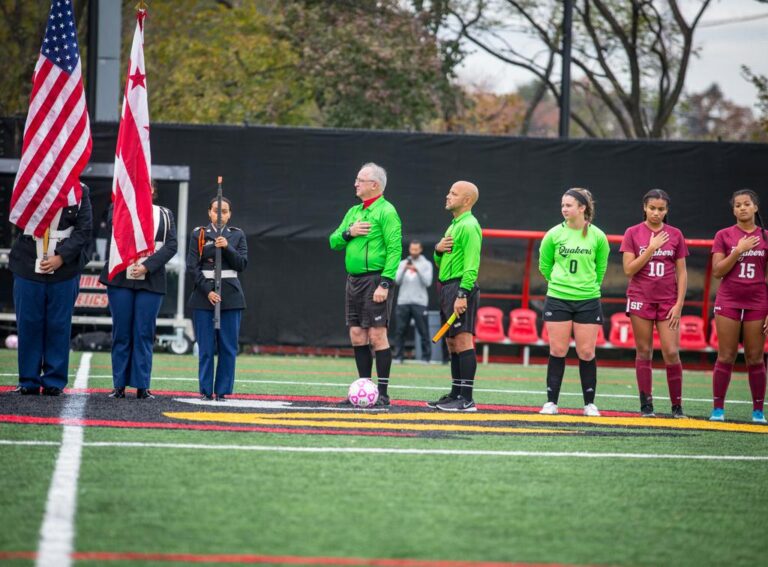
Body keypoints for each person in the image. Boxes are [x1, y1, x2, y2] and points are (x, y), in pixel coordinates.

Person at [329, 162, 402, 407]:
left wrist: (385, 283)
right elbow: (333, 242)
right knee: (357, 334)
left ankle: (382, 394)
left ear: (375, 185)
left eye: (360, 180)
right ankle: (363, 389)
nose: (355, 183)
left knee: (377, 335)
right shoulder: (353, 212)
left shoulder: (387, 211)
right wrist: (349, 232)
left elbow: (394, 250)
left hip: (375, 280)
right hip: (354, 280)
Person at [10, 183, 93, 396]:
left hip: (64, 268)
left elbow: (84, 230)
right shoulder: (30, 180)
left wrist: (62, 257)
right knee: (28, 323)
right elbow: (16, 218)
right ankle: (28, 380)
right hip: (28, 262)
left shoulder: (80, 190)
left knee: (58, 324)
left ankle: (54, 381)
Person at [100, 182, 177, 399]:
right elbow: (114, 226)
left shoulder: (165, 214)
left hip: (150, 280)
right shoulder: (118, 208)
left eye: (147, 185)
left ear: (153, 190)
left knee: (144, 332)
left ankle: (142, 386)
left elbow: (171, 246)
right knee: (121, 332)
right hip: (121, 277)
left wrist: (147, 265)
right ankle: (119, 385)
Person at [538, 188, 609, 417]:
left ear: (582, 208)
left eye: (569, 205)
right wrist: (560, 284)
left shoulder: (598, 236)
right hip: (558, 298)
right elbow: (544, 265)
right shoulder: (553, 234)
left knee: (586, 352)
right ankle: (551, 402)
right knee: (558, 349)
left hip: (588, 299)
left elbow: (601, 268)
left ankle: (589, 404)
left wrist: (587, 286)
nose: (564, 209)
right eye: (562, 205)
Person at [620, 189, 689, 418]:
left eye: (661, 209)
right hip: (641, 299)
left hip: (668, 302)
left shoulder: (676, 234)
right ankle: (646, 406)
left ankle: (677, 407)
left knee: (671, 352)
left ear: (667, 210)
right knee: (644, 351)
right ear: (644, 208)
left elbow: (682, 272)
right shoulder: (633, 233)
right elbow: (629, 269)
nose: (656, 213)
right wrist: (651, 248)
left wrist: (679, 304)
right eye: (652, 208)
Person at [709, 189, 768, 424]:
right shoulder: (724, 235)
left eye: (747, 204)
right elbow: (717, 271)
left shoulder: (765, 236)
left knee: (755, 357)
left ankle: (757, 412)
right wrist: (738, 251)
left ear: (755, 207)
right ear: (733, 210)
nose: (742, 208)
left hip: (757, 302)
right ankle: (718, 409)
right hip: (729, 300)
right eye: (738, 205)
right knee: (726, 356)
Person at [427, 181, 482, 412]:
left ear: (467, 200)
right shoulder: (453, 226)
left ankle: (467, 399)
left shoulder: (469, 225)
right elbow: (440, 263)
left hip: (460, 287)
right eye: (449, 191)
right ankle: (456, 393)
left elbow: (472, 265)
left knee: (463, 340)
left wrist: (462, 293)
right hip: (447, 287)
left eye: (453, 193)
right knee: (452, 343)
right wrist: (437, 250)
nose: (447, 196)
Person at [187, 196, 248, 401]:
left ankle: (222, 391)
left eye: (224, 211)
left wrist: (227, 247)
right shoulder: (199, 234)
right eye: (215, 210)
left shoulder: (237, 235)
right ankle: (205, 390)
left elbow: (241, 264)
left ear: (229, 214)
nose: (219, 215)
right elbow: (192, 267)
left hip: (230, 297)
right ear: (209, 212)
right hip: (204, 296)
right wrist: (208, 291)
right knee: (205, 347)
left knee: (228, 347)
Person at [393, 240, 433, 363]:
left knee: (423, 331)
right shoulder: (402, 263)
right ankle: (398, 357)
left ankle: (426, 358)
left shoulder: (426, 264)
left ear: (420, 250)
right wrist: (404, 269)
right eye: (412, 249)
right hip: (403, 302)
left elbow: (428, 282)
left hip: (419, 303)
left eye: (416, 249)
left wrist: (417, 270)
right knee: (400, 330)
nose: (413, 252)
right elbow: (396, 281)